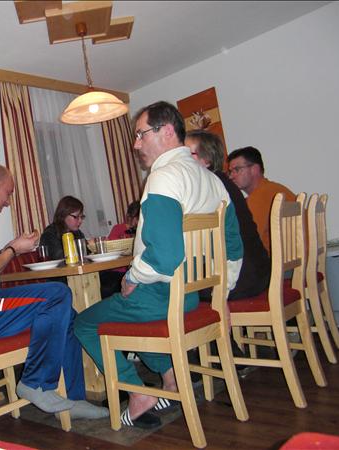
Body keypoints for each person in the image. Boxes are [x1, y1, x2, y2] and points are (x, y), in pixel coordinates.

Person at [74, 102, 243, 428]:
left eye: (141, 134)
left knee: (85, 323)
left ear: (166, 131)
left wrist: (132, 277)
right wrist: (222, 292)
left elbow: (165, 257)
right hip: (189, 298)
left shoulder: (164, 178)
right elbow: (234, 247)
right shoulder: (213, 181)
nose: (135, 144)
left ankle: (137, 393)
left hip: (160, 295)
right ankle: (172, 380)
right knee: (132, 320)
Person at [0, 164, 107, 420]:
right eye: (7, 192)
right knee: (58, 293)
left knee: (67, 315)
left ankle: (72, 399)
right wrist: (13, 250)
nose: (7, 202)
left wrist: (13, 247)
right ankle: (36, 383)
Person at [186, 130, 270, 300]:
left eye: (188, 154)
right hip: (258, 270)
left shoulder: (209, 187)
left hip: (241, 277)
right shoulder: (222, 182)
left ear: (206, 160)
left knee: (172, 287)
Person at [227, 146, 295, 254]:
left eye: (237, 170)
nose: (231, 176)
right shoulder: (274, 189)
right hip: (297, 259)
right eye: (230, 172)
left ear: (254, 169)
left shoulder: (260, 196)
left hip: (277, 262)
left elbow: (246, 240)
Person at [39, 196, 86, 260]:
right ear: (64, 215)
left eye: (82, 217)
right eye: (76, 217)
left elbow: (87, 255)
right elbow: (61, 259)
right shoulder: (49, 234)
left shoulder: (77, 233)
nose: (80, 221)